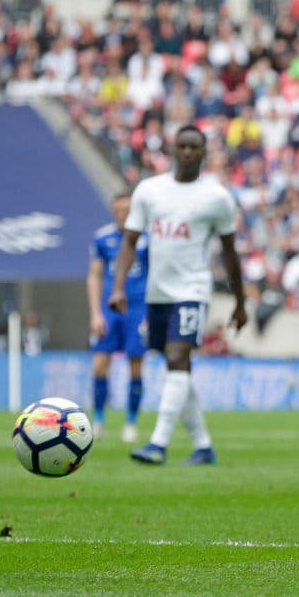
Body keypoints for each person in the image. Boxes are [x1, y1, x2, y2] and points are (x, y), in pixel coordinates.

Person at [109, 125, 247, 466]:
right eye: (182, 146)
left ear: (203, 152)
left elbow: (230, 252)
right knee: (177, 365)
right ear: (172, 150)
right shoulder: (150, 191)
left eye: (194, 147)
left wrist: (240, 302)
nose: (188, 152)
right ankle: (203, 445)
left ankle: (158, 443)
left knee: (176, 355)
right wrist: (118, 286)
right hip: (157, 293)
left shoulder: (216, 197)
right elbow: (129, 241)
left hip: (192, 289)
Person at [88, 191, 149, 442]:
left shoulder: (148, 239)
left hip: (137, 309)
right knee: (100, 364)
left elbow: (156, 274)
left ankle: (131, 422)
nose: (122, 216)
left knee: (136, 366)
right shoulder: (103, 238)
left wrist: (150, 313)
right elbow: (94, 275)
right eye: (118, 211)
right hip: (109, 309)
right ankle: (99, 419)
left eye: (127, 211)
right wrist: (95, 313)